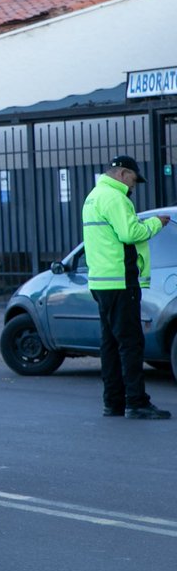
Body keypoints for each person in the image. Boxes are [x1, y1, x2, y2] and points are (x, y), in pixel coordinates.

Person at [82, 155, 171, 420]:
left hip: (101, 281)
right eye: (133, 179)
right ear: (122, 174)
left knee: (110, 344)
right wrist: (157, 223)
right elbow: (130, 233)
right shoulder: (115, 198)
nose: (134, 185)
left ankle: (113, 402)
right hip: (120, 281)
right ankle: (136, 402)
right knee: (130, 343)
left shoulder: (93, 197)